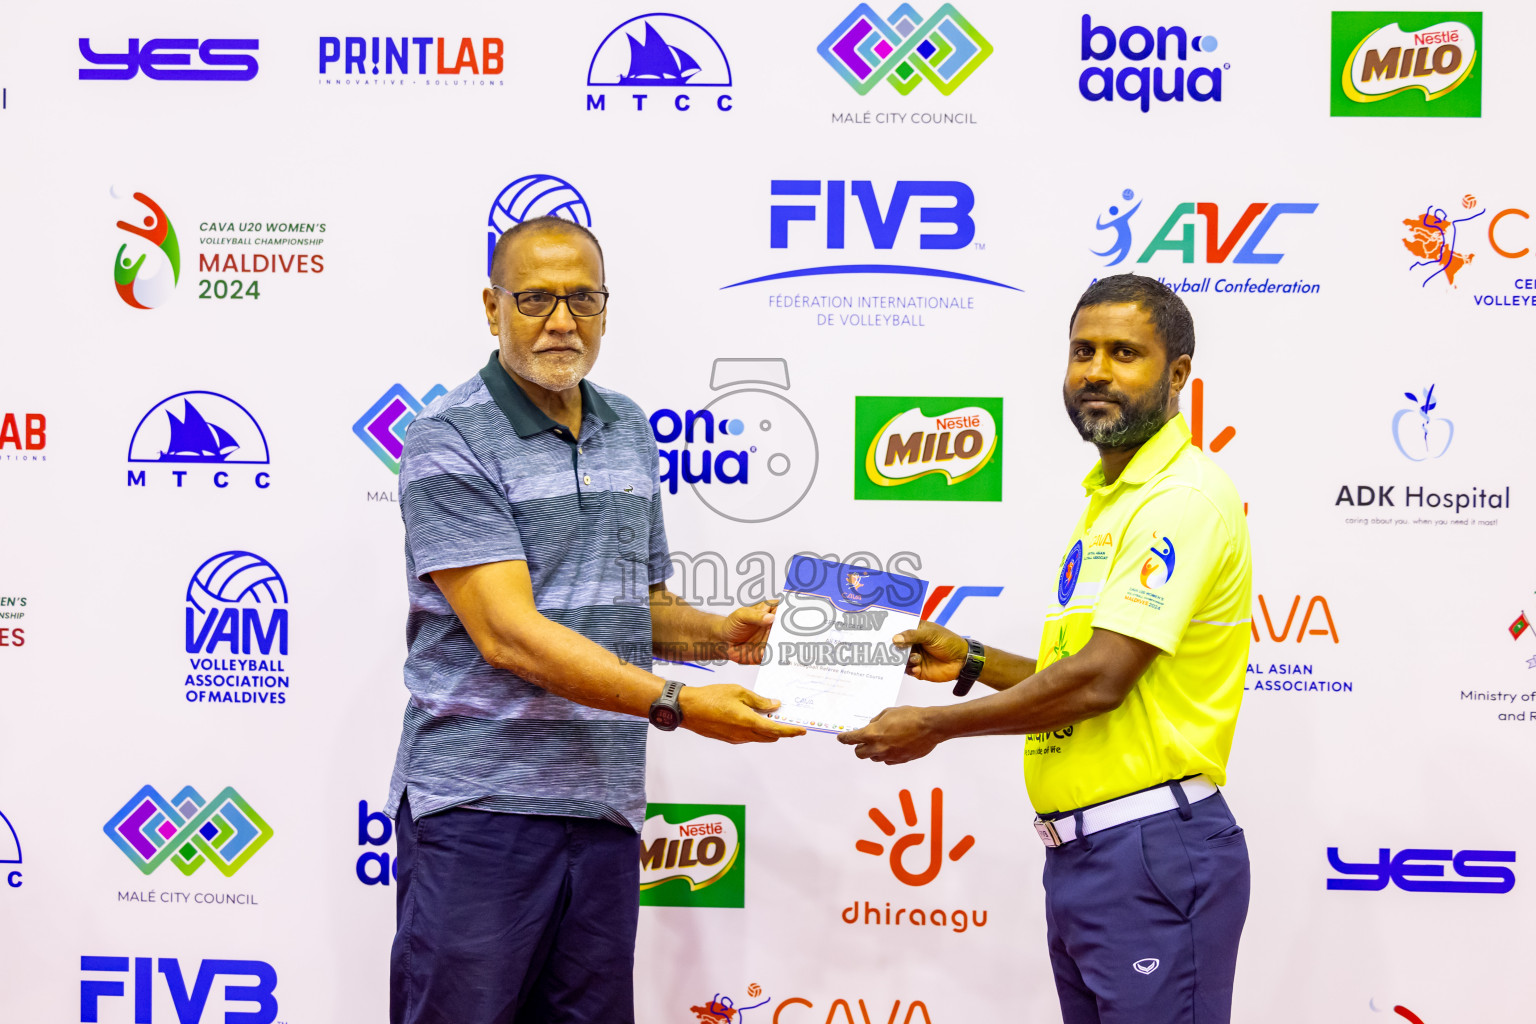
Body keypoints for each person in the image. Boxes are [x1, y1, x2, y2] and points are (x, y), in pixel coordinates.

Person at [386, 215, 804, 1024]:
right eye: (536, 298)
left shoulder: (629, 429)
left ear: (606, 308)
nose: (561, 321)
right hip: (482, 813)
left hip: (605, 813)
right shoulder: (447, 439)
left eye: (583, 298)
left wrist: (723, 637)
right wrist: (676, 702)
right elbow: (507, 633)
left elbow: (635, 606)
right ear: (491, 306)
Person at [841, 273, 1253, 1024]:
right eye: (1082, 351)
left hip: (1150, 850)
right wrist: (971, 661)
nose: (1096, 370)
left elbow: (1099, 683)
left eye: (1125, 352)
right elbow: (1085, 674)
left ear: (1178, 375)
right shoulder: (1111, 499)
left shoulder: (1180, 499)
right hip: (1086, 859)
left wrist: (932, 725)